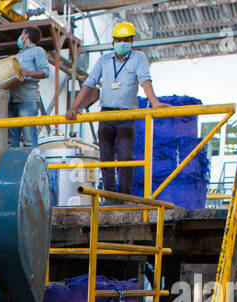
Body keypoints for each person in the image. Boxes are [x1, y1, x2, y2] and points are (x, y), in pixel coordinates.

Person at [66, 21, 166, 199]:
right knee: (105, 158)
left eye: (125, 40)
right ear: (113, 41)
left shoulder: (138, 58)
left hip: (127, 115)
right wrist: (74, 107)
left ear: (131, 41)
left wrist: (155, 102)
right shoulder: (104, 60)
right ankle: (110, 197)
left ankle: (125, 197)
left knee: (125, 158)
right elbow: (89, 83)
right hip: (106, 114)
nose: (121, 43)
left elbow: (145, 80)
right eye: (118, 40)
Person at [9, 27, 50, 148]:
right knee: (11, 142)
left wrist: (29, 73)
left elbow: (45, 72)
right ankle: (14, 166)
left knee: (29, 140)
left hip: (27, 99)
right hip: (12, 99)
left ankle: (32, 166)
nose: (20, 37)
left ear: (26, 35)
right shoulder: (18, 55)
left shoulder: (38, 51)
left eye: (21, 33)